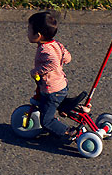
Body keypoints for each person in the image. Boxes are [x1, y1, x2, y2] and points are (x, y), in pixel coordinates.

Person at [27, 11, 80, 140]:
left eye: (29, 30)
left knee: (46, 120)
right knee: (57, 106)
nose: (27, 33)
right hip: (61, 85)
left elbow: (53, 63)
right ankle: (74, 111)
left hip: (52, 90)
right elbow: (67, 58)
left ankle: (68, 132)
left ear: (38, 35)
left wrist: (38, 71)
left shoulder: (44, 49)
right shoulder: (56, 44)